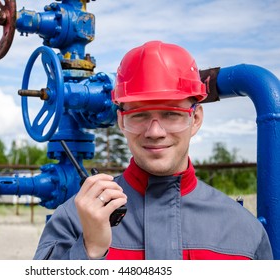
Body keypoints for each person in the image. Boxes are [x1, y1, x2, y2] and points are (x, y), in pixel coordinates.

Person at [33, 40, 273, 260]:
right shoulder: (73, 222)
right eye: (139, 115)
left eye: (171, 114)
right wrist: (91, 250)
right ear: (121, 121)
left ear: (196, 119)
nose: (155, 131)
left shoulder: (244, 232)